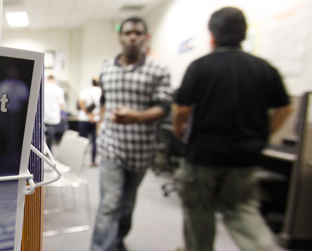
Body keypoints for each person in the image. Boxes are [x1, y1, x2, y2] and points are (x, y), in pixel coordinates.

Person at [172, 7, 293, 251]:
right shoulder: (264, 68)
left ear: (212, 35)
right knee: (241, 209)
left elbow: (182, 109)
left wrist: (179, 131)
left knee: (199, 209)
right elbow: (285, 108)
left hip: (203, 156)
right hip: (245, 156)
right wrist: (265, 133)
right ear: (244, 34)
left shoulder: (200, 67)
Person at [92, 17, 172, 251]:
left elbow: (163, 107)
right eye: (128, 33)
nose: (133, 37)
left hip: (141, 149)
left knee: (126, 205)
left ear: (146, 38)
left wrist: (135, 116)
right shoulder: (106, 67)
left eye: (138, 33)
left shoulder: (158, 69)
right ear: (120, 37)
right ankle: (101, 248)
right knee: (110, 203)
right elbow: (104, 100)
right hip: (111, 146)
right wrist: (100, 127)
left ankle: (116, 240)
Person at [77, 77, 102, 166]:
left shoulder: (86, 90)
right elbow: (104, 107)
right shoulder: (101, 91)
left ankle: (80, 161)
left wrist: (88, 115)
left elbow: (81, 103)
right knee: (95, 141)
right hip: (96, 120)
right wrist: (94, 115)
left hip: (84, 119)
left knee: (82, 140)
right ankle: (93, 161)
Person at [44, 74, 65, 151]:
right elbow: (61, 105)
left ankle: (43, 150)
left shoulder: (43, 87)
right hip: (53, 116)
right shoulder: (59, 89)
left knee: (41, 134)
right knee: (51, 133)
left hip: (44, 115)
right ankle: (49, 149)